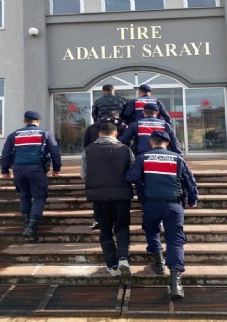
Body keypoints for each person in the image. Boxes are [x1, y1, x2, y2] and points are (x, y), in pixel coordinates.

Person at [125, 130, 199, 299]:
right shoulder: (177, 158)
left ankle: (158, 263)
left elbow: (130, 177)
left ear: (152, 142)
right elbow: (189, 181)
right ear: (167, 143)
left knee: (151, 231)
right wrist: (193, 199)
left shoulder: (143, 158)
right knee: (175, 240)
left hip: (151, 204)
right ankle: (175, 283)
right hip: (174, 205)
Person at [81, 122, 134, 277]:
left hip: (99, 197)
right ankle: (123, 257)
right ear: (115, 134)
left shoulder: (88, 151)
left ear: (99, 134)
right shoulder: (125, 149)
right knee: (122, 227)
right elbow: (132, 171)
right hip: (122, 196)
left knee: (105, 230)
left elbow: (84, 174)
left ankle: (112, 266)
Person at [0, 111, 62, 242]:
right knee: (39, 196)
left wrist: (4, 170)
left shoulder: (14, 135)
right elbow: (55, 152)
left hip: (18, 169)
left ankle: (26, 225)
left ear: (24, 121)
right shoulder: (45, 133)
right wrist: (56, 168)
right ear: (37, 121)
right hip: (36, 169)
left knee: (24, 195)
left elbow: (5, 154)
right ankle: (31, 227)